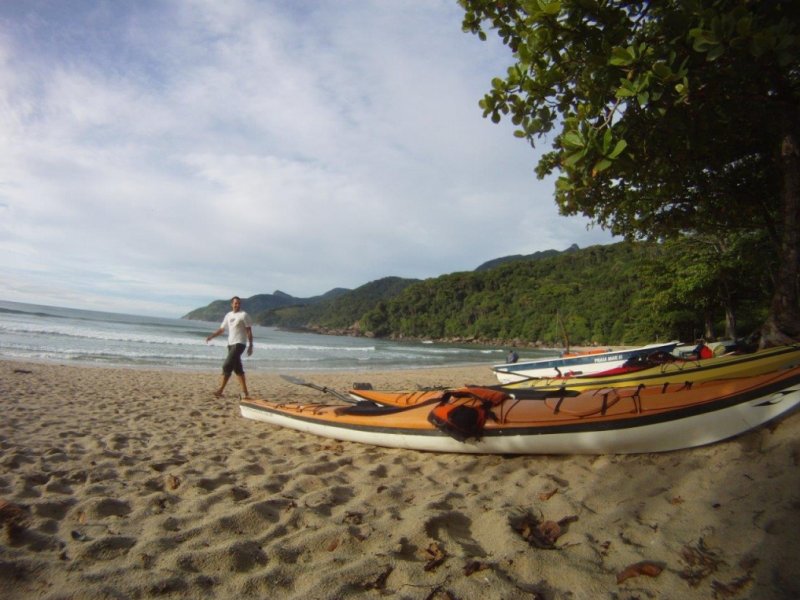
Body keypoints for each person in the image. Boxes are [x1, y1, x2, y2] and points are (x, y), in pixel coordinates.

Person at [206, 296, 254, 398]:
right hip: (230, 344)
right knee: (237, 369)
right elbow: (222, 329)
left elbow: (249, 331)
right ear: (231, 304)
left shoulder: (244, 315)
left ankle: (220, 390)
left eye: (239, 303)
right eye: (235, 303)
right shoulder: (228, 315)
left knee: (226, 366)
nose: (237, 305)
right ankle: (245, 393)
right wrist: (212, 336)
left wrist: (251, 345)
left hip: (240, 343)